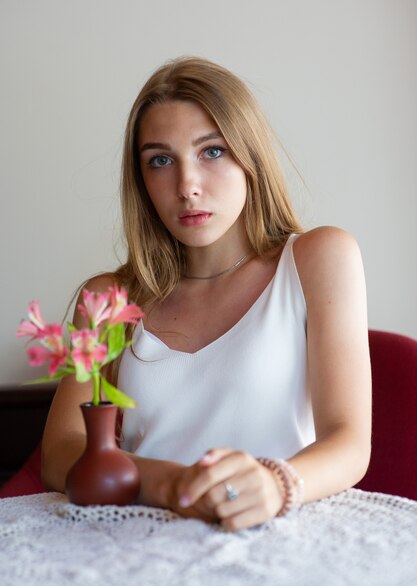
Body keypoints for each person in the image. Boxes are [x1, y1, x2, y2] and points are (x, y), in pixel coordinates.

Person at [42, 57, 372, 531]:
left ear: (249, 155)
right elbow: (60, 452)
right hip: (136, 543)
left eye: (211, 152)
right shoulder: (110, 298)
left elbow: (349, 442)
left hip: (280, 536)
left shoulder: (319, 258)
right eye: (160, 160)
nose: (187, 186)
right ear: (142, 183)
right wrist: (173, 486)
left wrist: (276, 483)